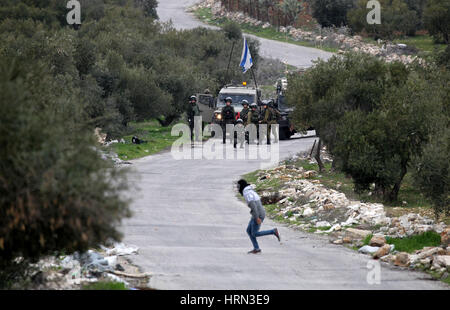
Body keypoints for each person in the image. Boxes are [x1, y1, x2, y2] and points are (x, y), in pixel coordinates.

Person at [237, 179, 280, 254]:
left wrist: (257, 218)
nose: (237, 188)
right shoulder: (249, 191)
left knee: (254, 233)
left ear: (241, 186)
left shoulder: (247, 193)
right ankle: (256, 248)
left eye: (238, 186)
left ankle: (273, 231)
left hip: (258, 214)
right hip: (257, 213)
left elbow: (254, 207)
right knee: (249, 231)